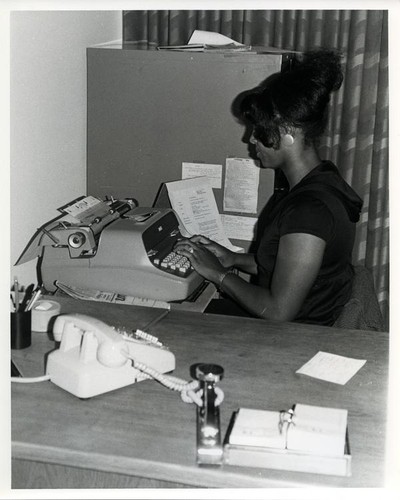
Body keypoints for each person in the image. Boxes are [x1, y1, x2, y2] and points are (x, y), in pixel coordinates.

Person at [174, 49, 363, 326]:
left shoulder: (309, 211)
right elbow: (290, 266)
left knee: (173, 320)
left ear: (288, 134)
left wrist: (218, 274)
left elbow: (278, 312)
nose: (251, 140)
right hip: (299, 326)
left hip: (294, 339)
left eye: (259, 131)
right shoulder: (322, 182)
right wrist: (232, 259)